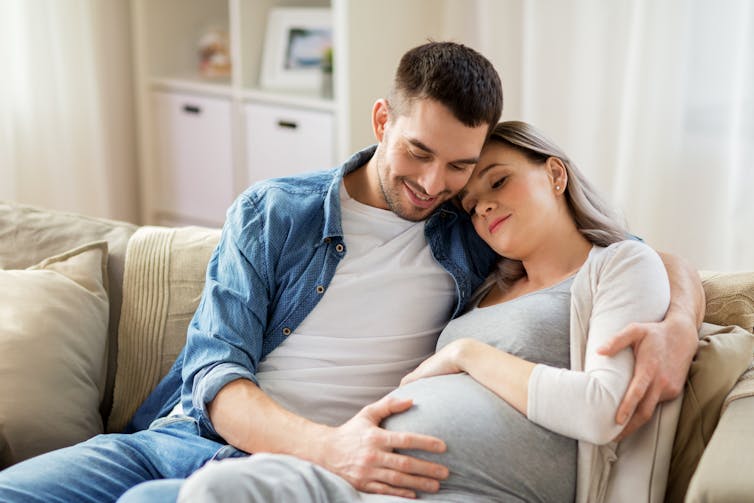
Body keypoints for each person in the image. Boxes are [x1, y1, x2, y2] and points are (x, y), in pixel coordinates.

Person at [0, 43, 701, 503]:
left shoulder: (473, 228)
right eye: (419, 152)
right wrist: (335, 446)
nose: (434, 183)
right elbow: (214, 377)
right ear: (381, 120)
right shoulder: (277, 212)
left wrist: (676, 321)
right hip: (185, 440)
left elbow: (612, 247)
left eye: (460, 165)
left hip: (308, 479)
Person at [174, 121, 686, 503]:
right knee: (213, 492)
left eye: (499, 182)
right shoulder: (483, 282)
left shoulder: (613, 267)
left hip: (471, 488)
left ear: (554, 173)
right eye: (470, 202)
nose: (481, 205)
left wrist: (467, 354)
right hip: (363, 471)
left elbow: (602, 408)